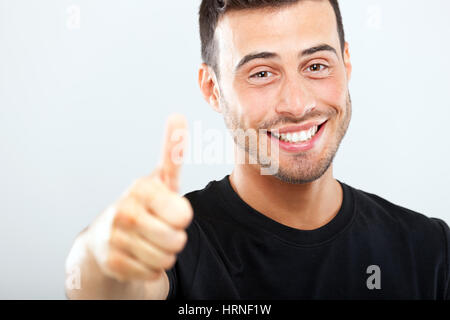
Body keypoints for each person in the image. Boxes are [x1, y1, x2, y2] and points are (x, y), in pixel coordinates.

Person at [65, 0, 449, 300]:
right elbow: (104, 287)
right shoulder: (175, 249)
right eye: (262, 73)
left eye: (316, 65)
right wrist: (101, 254)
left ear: (346, 64)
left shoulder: (430, 249)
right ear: (212, 89)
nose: (297, 105)